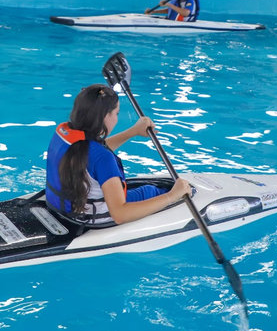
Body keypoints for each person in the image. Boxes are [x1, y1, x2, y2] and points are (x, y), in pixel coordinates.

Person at [45, 84, 191, 225]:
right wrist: (172, 196)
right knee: (149, 191)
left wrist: (133, 131)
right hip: (90, 217)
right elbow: (120, 214)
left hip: (64, 208)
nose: (116, 118)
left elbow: (94, 154)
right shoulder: (103, 158)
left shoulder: (64, 134)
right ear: (105, 116)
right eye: (116, 113)